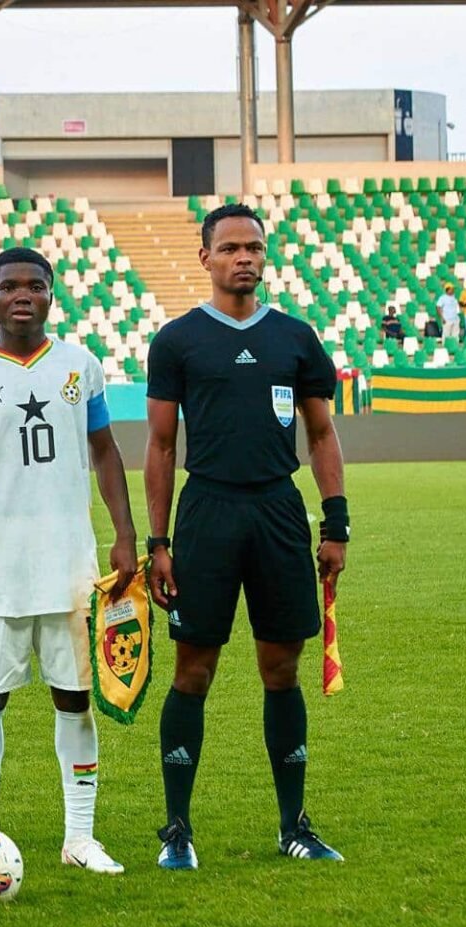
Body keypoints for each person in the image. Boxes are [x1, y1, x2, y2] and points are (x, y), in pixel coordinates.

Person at [144, 203, 349, 870]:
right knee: (193, 669)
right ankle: (177, 830)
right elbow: (160, 446)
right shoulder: (177, 341)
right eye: (230, 247)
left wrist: (336, 522)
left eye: (254, 247)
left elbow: (321, 434)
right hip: (207, 512)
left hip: (278, 511)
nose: (244, 258)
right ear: (205, 257)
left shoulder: (296, 337)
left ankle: (294, 826)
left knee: (281, 668)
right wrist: (157, 543)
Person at [0, 247, 139, 875]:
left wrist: (125, 533)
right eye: (9, 286)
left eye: (35, 285)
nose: (22, 295)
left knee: (75, 698)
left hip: (70, 566)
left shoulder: (80, 365)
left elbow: (104, 450)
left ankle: (80, 837)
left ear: (52, 294)